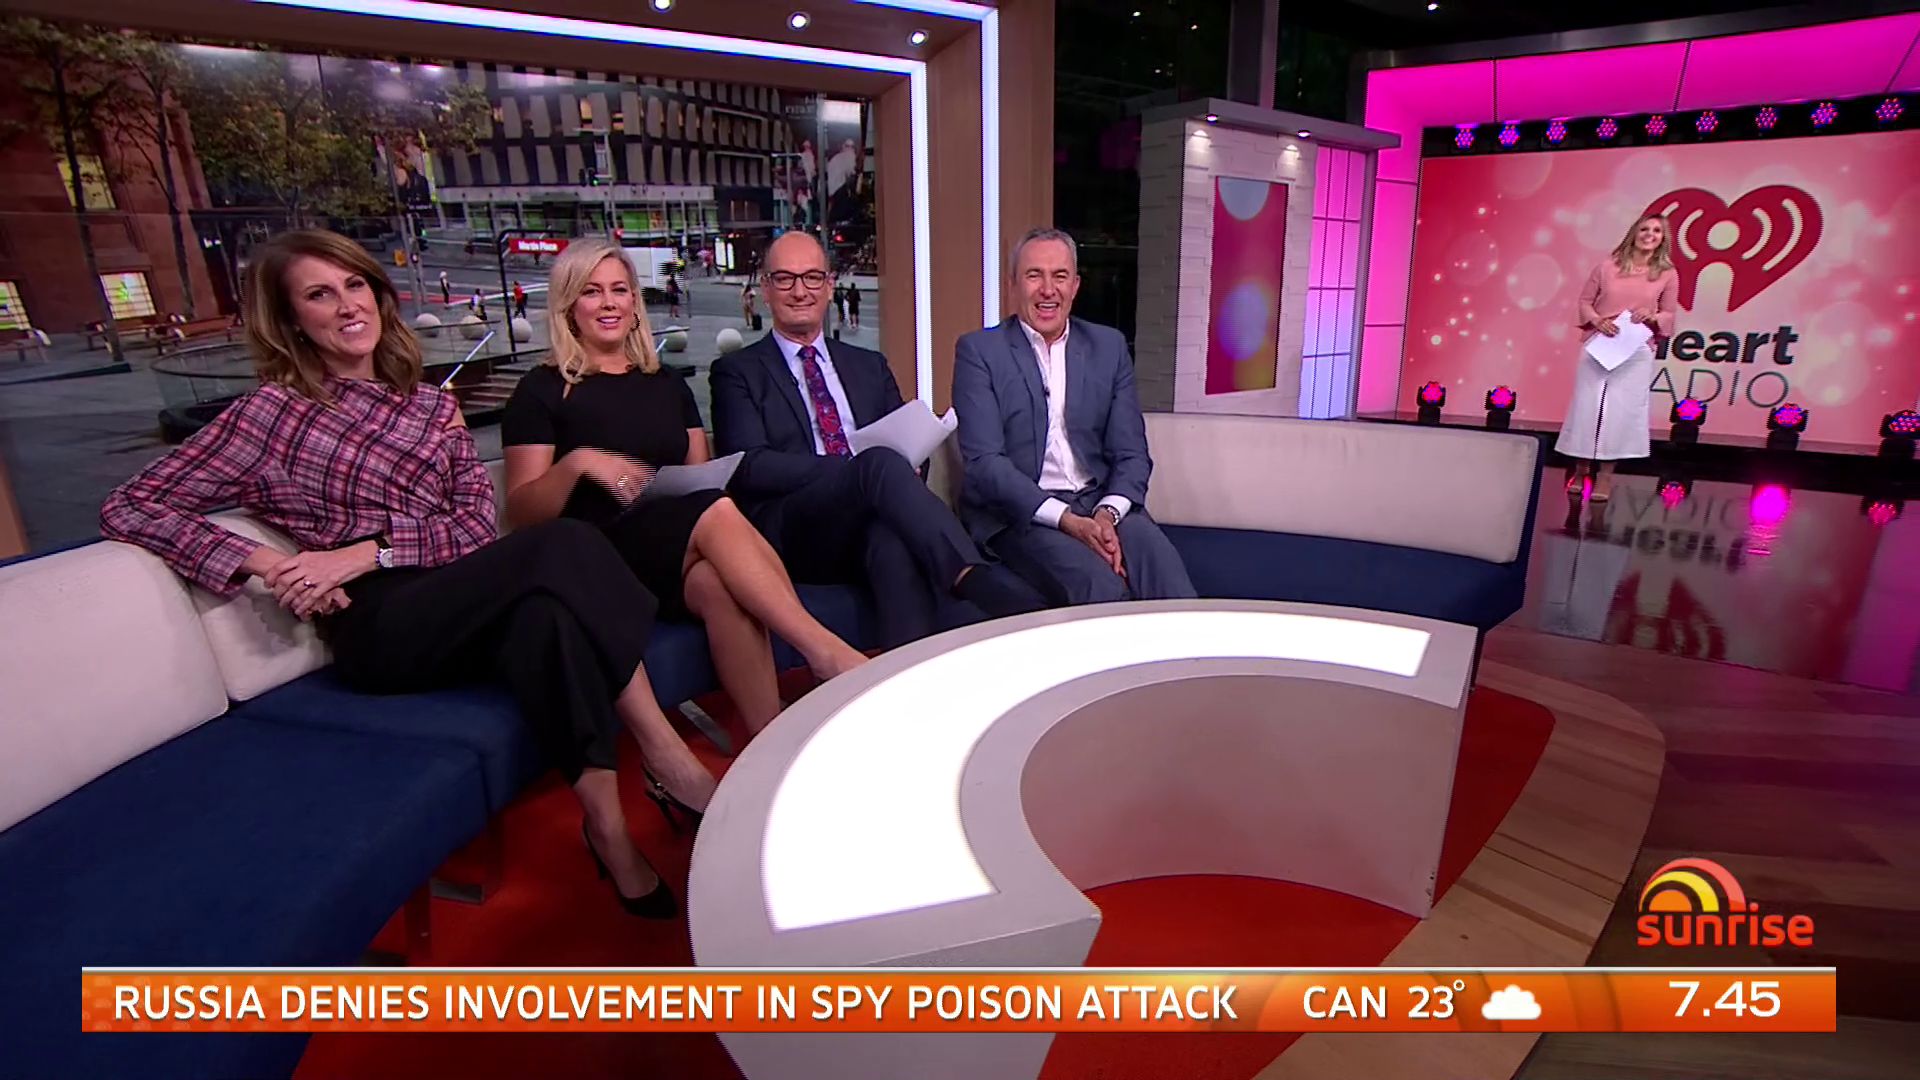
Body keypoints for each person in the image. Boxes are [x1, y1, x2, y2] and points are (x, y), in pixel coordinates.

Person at [98, 230, 684, 918]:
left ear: (379, 297)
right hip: (378, 624)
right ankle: (665, 753)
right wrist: (268, 562)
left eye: (356, 286)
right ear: (292, 320)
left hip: (458, 597)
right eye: (320, 295)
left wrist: (366, 549)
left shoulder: (432, 407)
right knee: (563, 542)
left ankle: (608, 830)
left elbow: (473, 526)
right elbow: (131, 505)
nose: (348, 306)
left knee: (547, 618)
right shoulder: (270, 415)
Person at [501, 239, 867, 738]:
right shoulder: (541, 389)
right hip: (595, 560)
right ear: (569, 306)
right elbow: (522, 513)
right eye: (592, 291)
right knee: (715, 510)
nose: (609, 303)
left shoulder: (666, 383)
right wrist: (579, 464)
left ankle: (771, 741)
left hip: (669, 550)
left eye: (619, 290)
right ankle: (825, 651)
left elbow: (700, 476)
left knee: (717, 581)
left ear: (635, 302)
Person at [709, 233, 1045, 649]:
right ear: (765, 288)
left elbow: (910, 446)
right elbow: (749, 467)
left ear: (829, 285)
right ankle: (973, 576)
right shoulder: (736, 372)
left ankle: (909, 676)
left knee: (890, 541)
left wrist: (907, 463)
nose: (800, 291)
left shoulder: (869, 365)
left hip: (868, 519)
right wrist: (854, 470)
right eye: (785, 279)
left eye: (812, 277)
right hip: (794, 530)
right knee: (877, 463)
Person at [952, 227, 1195, 605]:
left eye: (1060, 276)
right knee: (1102, 586)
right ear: (1013, 284)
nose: (1048, 290)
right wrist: (1067, 519)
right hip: (1022, 513)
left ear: (1075, 285)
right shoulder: (979, 351)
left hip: (1098, 502)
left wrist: (1107, 515)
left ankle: (1189, 648)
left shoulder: (1108, 347)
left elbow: (1131, 455)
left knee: (1163, 572)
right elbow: (985, 464)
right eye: (1034, 275)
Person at [1560, 214, 1679, 503]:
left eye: (1656, 231)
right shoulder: (1607, 267)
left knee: (1621, 412)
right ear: (1634, 233)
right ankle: (1581, 469)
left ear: (1663, 238)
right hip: (1600, 343)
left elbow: (1669, 313)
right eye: (1644, 229)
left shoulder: (1667, 273)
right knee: (1588, 407)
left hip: (1635, 348)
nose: (1649, 234)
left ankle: (1605, 475)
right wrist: (1596, 320)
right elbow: (1585, 302)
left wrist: (1652, 316)